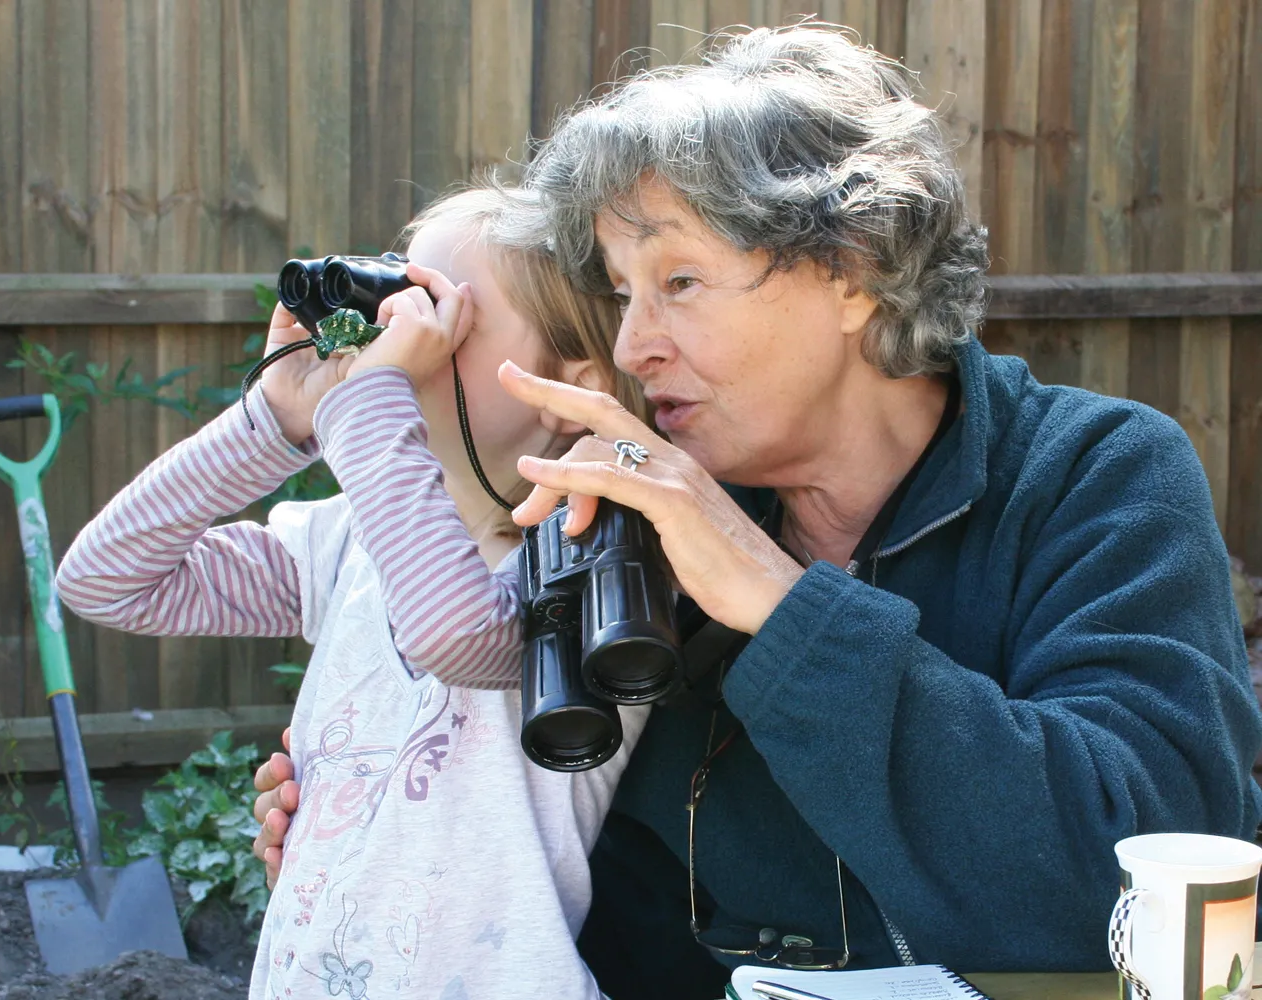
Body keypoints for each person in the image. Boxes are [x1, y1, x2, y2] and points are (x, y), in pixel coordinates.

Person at [252, 23, 1262, 998]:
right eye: (620, 292)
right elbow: (540, 847)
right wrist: (365, 825)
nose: (635, 343)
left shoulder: (1095, 477)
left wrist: (786, 610)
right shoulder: (622, 512)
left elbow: (1139, 885)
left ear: (854, 268)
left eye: (679, 280)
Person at [57, 185, 647, 1000]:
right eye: (392, 303)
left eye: (439, 317)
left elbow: (456, 636)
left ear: (567, 385)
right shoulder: (350, 543)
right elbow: (107, 579)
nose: (392, 338)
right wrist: (277, 415)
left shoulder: (596, 561)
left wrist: (367, 402)